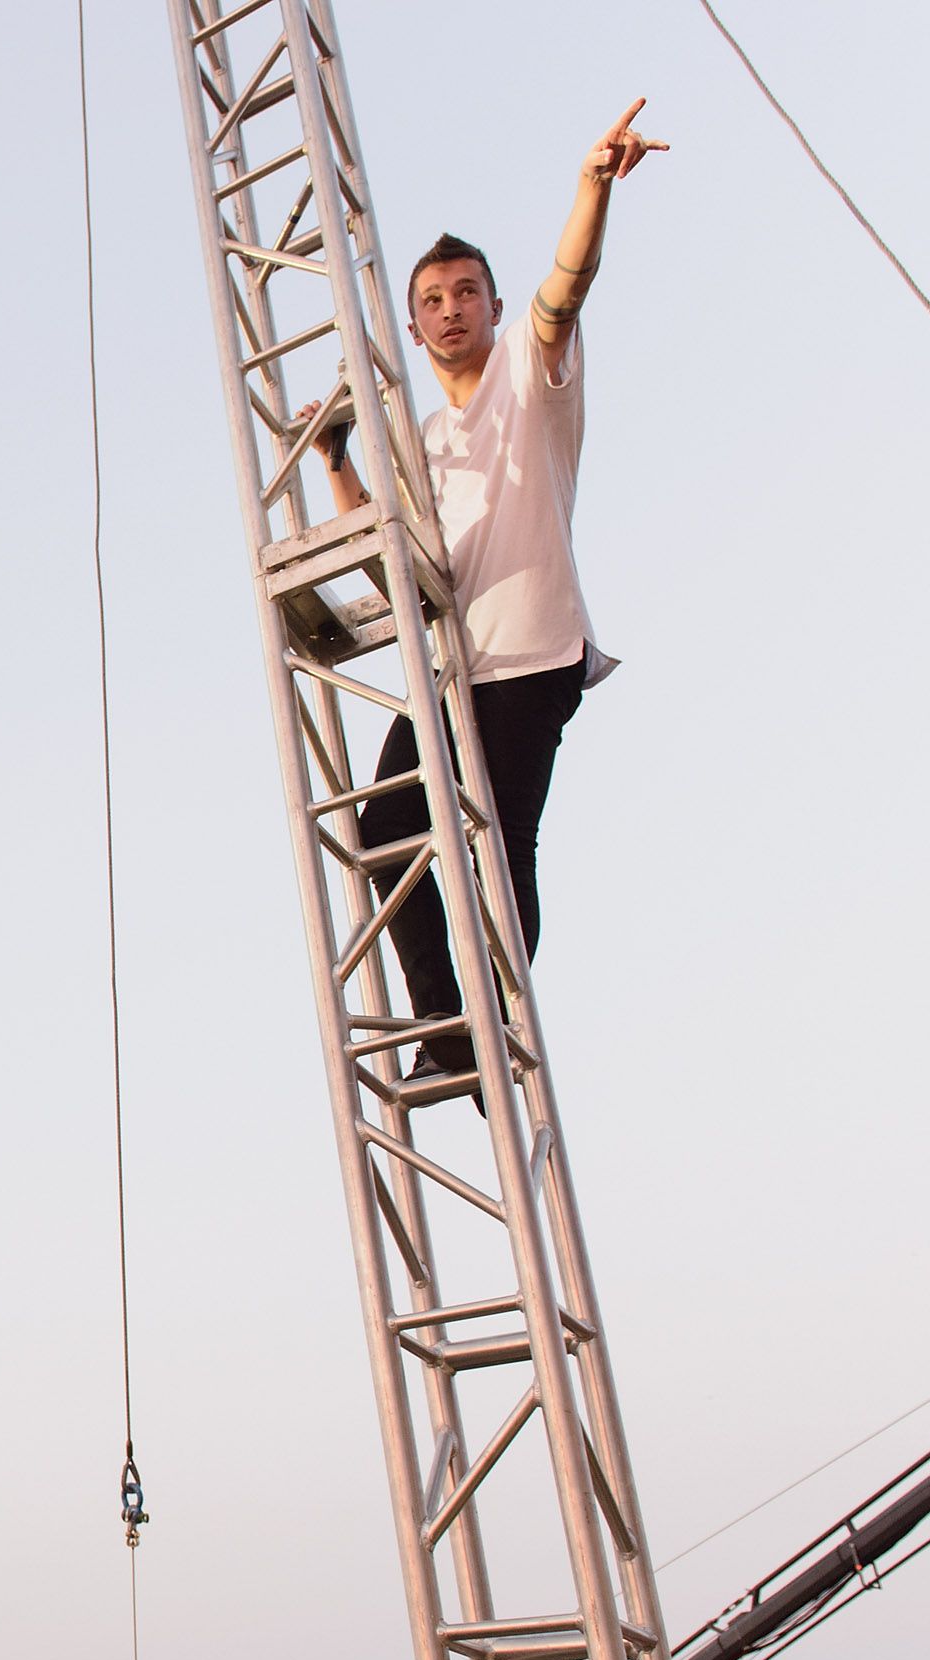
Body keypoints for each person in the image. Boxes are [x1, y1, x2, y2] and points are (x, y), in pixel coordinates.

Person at [313, 99, 668, 1090]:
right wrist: (338, 456)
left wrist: (592, 186)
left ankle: (500, 1015)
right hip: (451, 665)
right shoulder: (421, 440)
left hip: (533, 652)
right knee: (385, 829)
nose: (451, 309)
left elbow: (567, 286)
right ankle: (448, 1027)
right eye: (433, 300)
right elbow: (390, 553)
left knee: (502, 839)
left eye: (468, 292)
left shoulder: (530, 370)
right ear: (416, 326)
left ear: (493, 309)